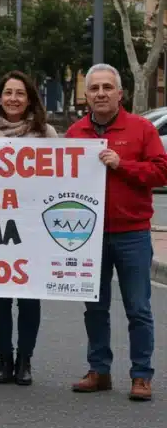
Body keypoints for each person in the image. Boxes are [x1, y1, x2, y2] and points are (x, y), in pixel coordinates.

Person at [67, 64, 167, 401]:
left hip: (132, 234)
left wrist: (122, 165)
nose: (100, 94)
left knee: (138, 308)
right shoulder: (76, 132)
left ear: (119, 93)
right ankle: (99, 370)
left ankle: (141, 375)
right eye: (94, 89)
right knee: (94, 308)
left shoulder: (140, 129)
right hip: (87, 237)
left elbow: (161, 172)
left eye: (107, 87)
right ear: (87, 96)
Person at [0, 71, 57, 386]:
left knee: (29, 297)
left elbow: (64, 174)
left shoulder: (45, 133)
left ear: (29, 99)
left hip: (32, 227)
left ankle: (25, 360)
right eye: (7, 93)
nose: (13, 99)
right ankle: (4, 359)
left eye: (19, 93)